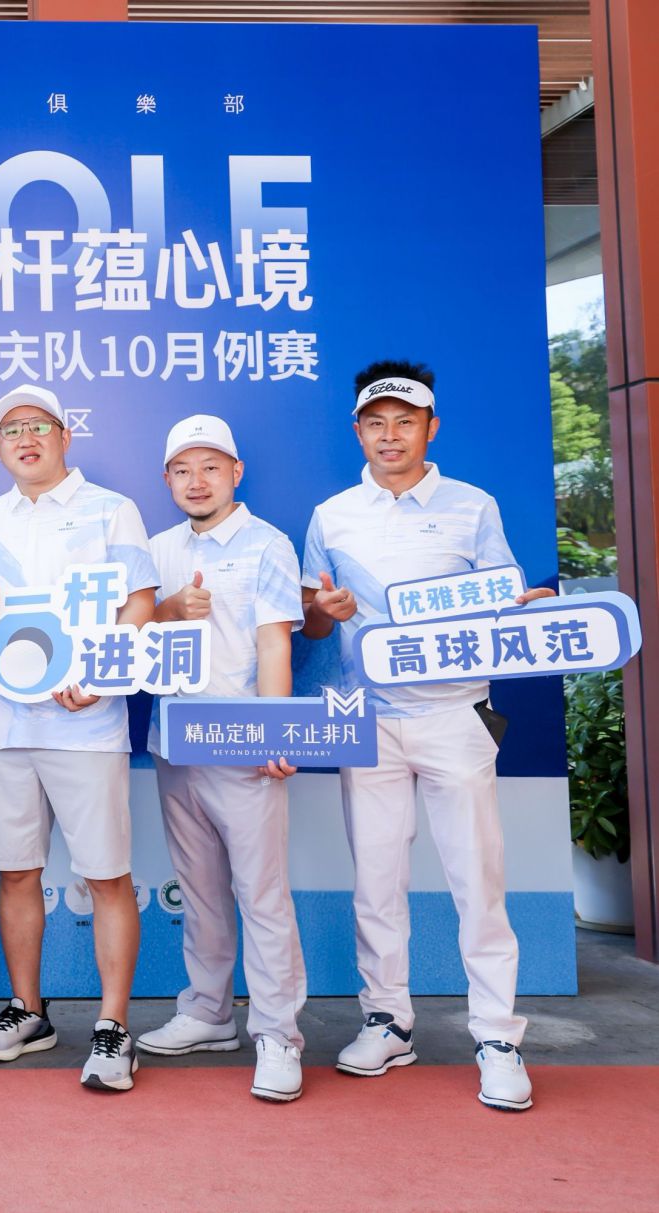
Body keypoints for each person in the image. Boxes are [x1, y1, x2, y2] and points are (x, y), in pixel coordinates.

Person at [301, 360, 554, 1113]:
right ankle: (387, 1020)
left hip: (455, 713)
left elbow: (502, 599)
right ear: (358, 431)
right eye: (376, 423)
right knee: (376, 880)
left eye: (404, 422)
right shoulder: (331, 515)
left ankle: (497, 1037)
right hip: (367, 718)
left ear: (430, 428)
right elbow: (312, 624)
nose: (390, 435)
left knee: (478, 879)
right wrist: (324, 612)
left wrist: (528, 608)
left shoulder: (472, 506)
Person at [0, 385, 157, 1092]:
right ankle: (29, 1011)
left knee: (105, 874)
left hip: (87, 721)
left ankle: (112, 1026)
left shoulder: (111, 509)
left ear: (64, 436)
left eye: (38, 425)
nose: (26, 438)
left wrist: (105, 674)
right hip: (5, 722)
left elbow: (139, 602)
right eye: (11, 429)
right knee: (16, 871)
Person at [140, 414, 309, 1103]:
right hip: (173, 742)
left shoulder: (267, 543)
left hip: (242, 744)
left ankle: (277, 1034)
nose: (196, 481)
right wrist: (167, 608)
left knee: (261, 894)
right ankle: (209, 1011)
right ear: (167, 479)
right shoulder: (155, 548)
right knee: (201, 887)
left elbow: (275, 642)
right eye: (182, 470)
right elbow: (131, 632)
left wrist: (275, 731)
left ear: (235, 472)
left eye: (210, 467)